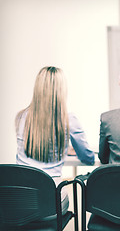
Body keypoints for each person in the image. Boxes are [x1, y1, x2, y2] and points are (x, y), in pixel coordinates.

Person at [15, 66, 95, 214]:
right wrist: (67, 149)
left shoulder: (21, 117)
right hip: (49, 201)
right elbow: (88, 158)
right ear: (62, 90)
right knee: (67, 196)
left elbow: (32, 149)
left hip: (21, 199)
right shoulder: (68, 119)